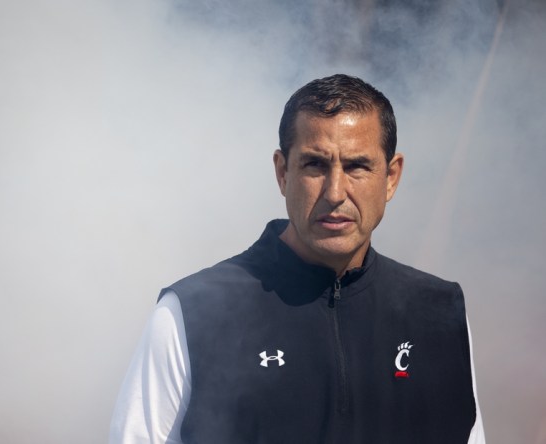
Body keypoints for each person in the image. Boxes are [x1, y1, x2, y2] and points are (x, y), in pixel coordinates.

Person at [109, 74, 485, 443]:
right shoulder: (191, 314)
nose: (335, 192)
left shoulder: (440, 311)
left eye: (356, 166)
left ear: (391, 177)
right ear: (282, 172)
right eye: (315, 165)